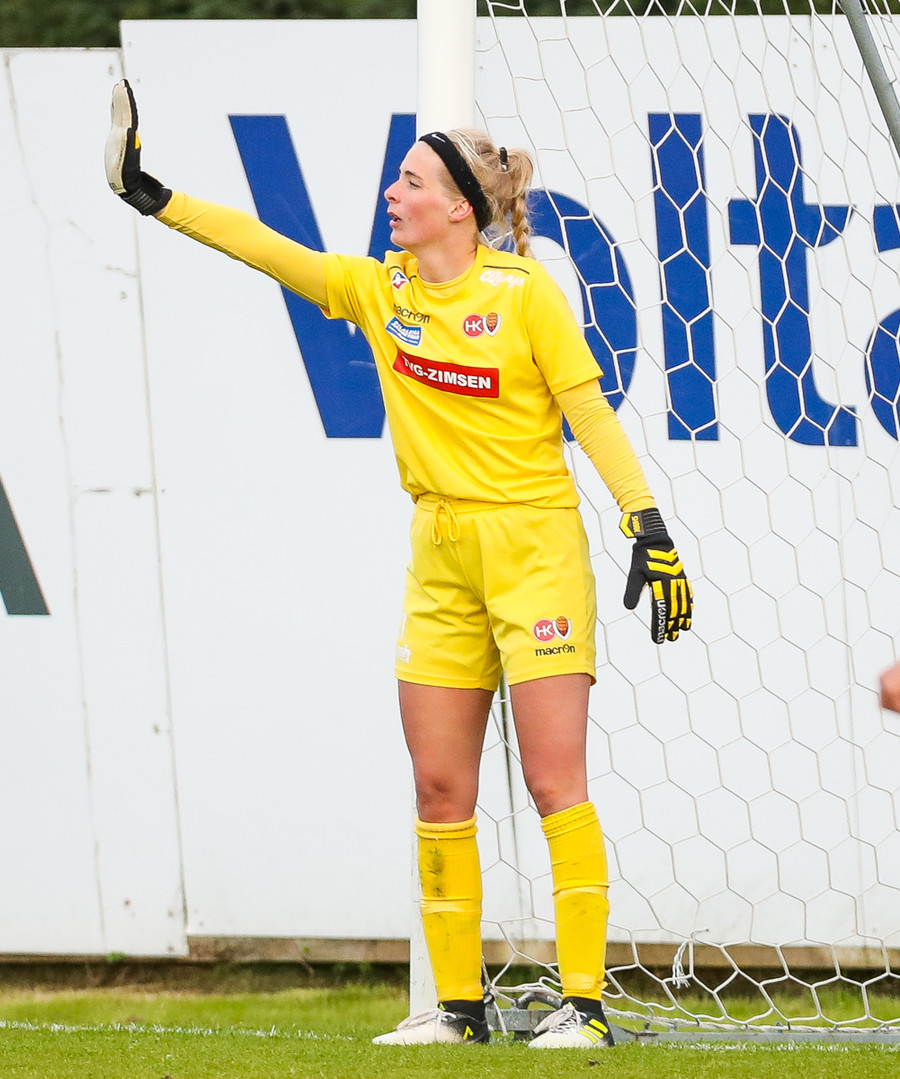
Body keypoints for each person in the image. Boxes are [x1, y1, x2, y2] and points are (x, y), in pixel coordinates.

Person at [106, 79, 692, 1049]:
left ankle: (584, 1007)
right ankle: (459, 1010)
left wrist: (649, 524)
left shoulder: (525, 294)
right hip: (441, 557)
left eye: (411, 180)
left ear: (458, 207)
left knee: (556, 782)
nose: (392, 192)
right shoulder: (383, 293)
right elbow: (269, 250)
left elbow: (588, 411)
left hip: (535, 549)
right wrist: (154, 196)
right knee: (439, 790)